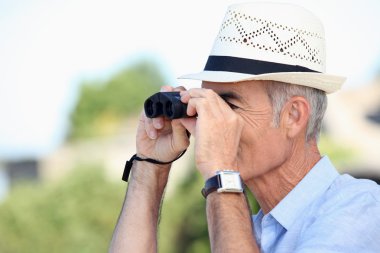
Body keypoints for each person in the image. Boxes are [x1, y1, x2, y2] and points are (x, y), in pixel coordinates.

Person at [109, 2, 380, 253]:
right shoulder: (244, 232)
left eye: (228, 106)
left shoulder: (360, 210)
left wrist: (221, 171)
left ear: (293, 116)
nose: (213, 125)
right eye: (209, 106)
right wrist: (151, 165)